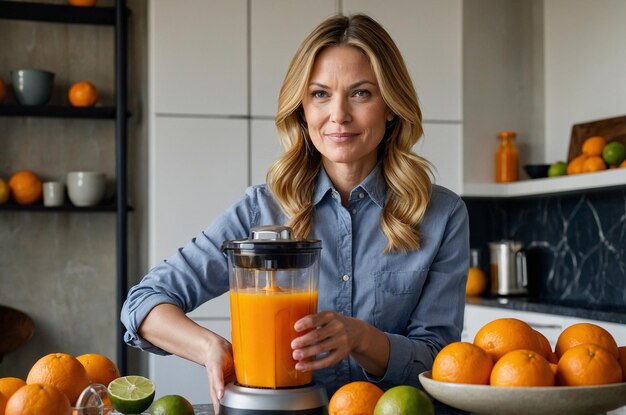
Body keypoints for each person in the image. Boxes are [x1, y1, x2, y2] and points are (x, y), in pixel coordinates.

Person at [121, 12, 469, 411]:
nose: (338, 114)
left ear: (390, 105)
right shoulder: (261, 209)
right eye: (320, 94)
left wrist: (361, 338)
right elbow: (144, 302)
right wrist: (210, 348)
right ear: (302, 108)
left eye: (361, 93)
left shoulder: (441, 214)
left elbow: (444, 363)